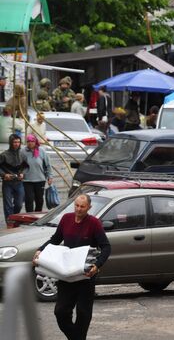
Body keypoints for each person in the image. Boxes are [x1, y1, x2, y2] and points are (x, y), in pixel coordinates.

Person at [33, 194, 111, 340]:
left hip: (85, 275)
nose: (79, 209)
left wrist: (97, 265)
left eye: (82, 207)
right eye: (76, 205)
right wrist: (40, 250)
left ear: (89, 207)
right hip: (66, 274)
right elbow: (55, 239)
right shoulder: (66, 219)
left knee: (83, 313)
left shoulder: (94, 223)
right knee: (61, 312)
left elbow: (106, 247)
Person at [0, 134, 27, 223]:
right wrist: (4, 175)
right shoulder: (3, 155)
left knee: (19, 204)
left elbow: (26, 167)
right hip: (7, 183)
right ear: (11, 142)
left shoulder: (22, 155)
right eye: (15, 142)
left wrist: (23, 173)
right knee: (8, 205)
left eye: (18, 142)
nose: (16, 144)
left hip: (19, 183)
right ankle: (9, 222)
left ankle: (14, 218)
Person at [22, 134, 52, 212]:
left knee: (39, 200)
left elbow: (48, 165)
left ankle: (37, 215)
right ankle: (29, 217)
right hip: (27, 180)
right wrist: (20, 173)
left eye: (32, 141)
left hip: (40, 179)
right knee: (29, 199)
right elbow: (19, 164)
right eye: (28, 141)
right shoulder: (23, 151)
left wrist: (50, 176)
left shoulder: (41, 150)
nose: (30, 143)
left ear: (35, 142)